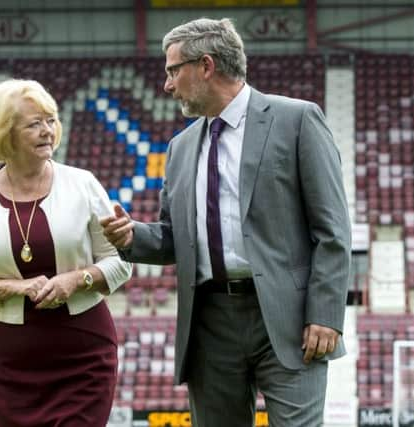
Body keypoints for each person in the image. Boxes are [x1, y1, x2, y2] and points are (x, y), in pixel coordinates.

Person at [100, 17, 351, 427]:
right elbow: (173, 238)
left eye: (172, 70)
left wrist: (325, 313)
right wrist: (132, 236)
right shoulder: (180, 148)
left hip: (289, 320)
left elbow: (333, 229)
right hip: (210, 321)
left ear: (206, 66)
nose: (167, 85)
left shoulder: (297, 120)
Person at [0, 79, 132, 427]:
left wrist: (76, 280)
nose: (48, 131)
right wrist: (17, 288)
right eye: (34, 123)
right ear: (5, 133)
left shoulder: (83, 183)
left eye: (51, 120)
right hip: (8, 360)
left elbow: (121, 263)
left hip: (83, 354)